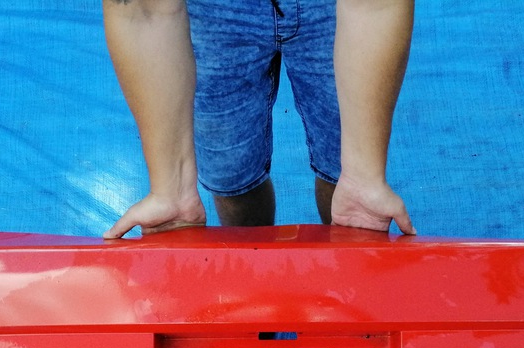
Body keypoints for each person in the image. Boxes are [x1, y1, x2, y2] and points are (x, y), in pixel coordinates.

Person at [101, 0, 415, 237]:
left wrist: (363, 179)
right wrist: (171, 190)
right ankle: (249, 268)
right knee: (232, 179)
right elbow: (142, 8)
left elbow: (374, 5)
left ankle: (343, 258)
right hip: (211, 10)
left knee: (343, 174)